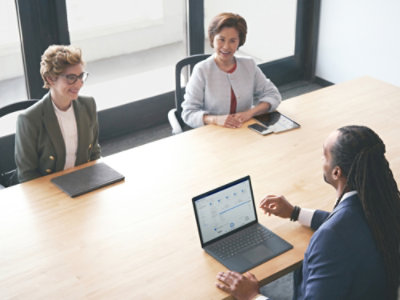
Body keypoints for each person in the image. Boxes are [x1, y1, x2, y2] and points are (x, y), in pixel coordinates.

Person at [216, 125, 400, 300]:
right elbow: (349, 226)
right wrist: (295, 212)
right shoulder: (384, 204)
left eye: (324, 155)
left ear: (337, 172)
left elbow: (337, 233)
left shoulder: (331, 238)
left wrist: (252, 296)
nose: (321, 160)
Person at [15, 45, 101, 183]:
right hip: (49, 191)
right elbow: (27, 175)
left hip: (83, 183)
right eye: (71, 77)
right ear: (50, 79)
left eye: (81, 76)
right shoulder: (29, 119)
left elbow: (94, 153)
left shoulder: (88, 105)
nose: (79, 84)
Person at [181, 12, 281, 129]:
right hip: (214, 131)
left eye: (232, 41)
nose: (226, 46)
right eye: (221, 39)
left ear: (239, 42)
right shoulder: (202, 70)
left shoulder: (249, 64)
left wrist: (250, 113)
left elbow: (273, 94)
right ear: (213, 38)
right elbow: (188, 113)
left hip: (245, 128)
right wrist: (215, 119)